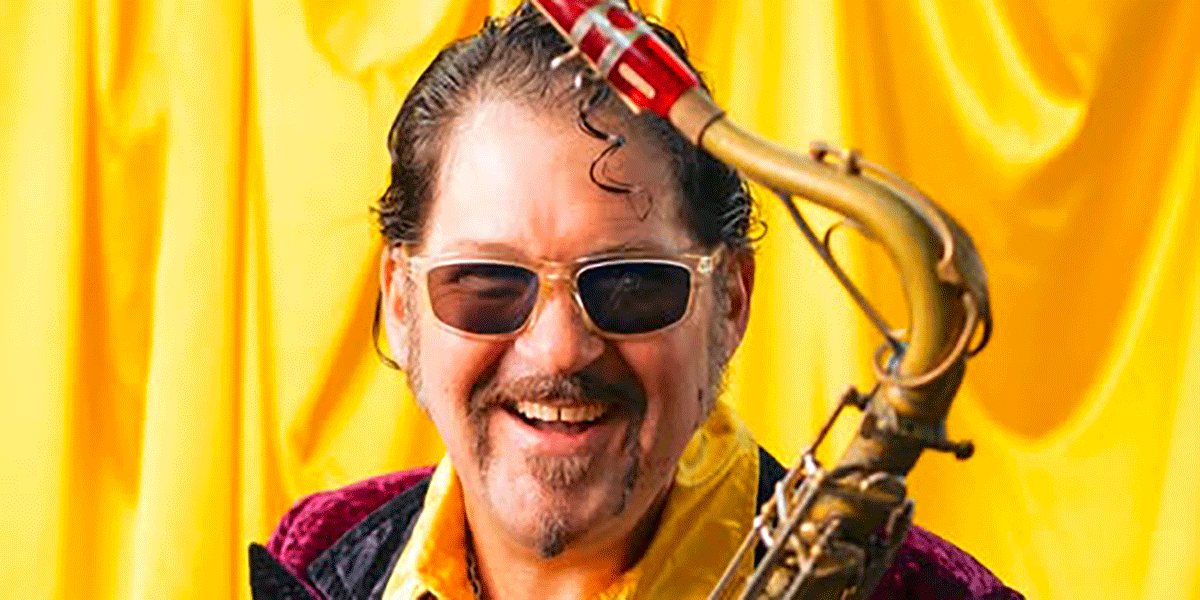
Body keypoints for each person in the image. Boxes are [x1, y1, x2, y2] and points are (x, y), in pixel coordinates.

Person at [249, 3, 1023, 599]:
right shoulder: (321, 557)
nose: (559, 348)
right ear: (400, 303)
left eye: (629, 283)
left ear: (729, 302)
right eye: (488, 284)